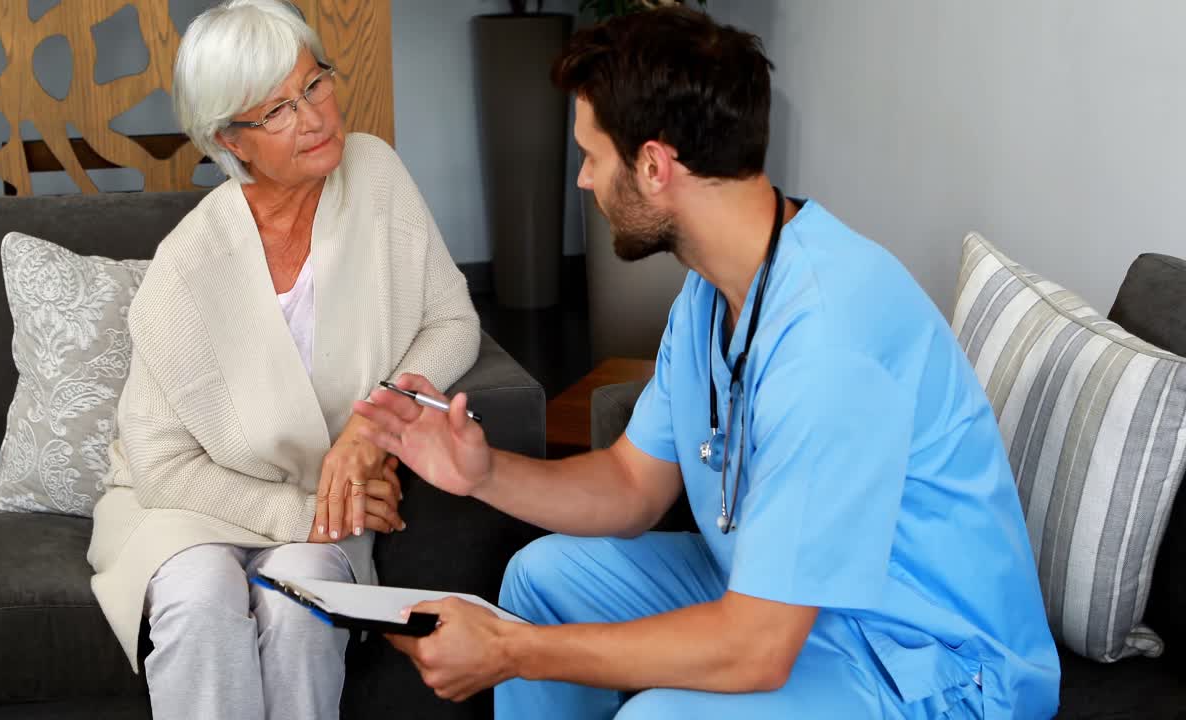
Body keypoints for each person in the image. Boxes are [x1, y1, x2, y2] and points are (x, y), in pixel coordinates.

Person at [353, 7, 1060, 719]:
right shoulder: (712, 291)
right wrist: (483, 473)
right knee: (543, 579)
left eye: (592, 157)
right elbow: (633, 483)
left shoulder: (828, 343)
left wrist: (512, 651)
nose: (584, 182)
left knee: (654, 716)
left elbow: (756, 647)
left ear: (655, 166)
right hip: (792, 606)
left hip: (931, 664)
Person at [86, 1, 480, 718]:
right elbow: (162, 464)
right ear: (229, 140)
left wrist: (369, 427)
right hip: (191, 505)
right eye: (277, 111)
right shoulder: (186, 266)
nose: (316, 117)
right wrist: (304, 514)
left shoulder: (375, 175)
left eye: (315, 84)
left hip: (325, 502)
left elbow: (452, 322)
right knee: (200, 599)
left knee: (302, 606)